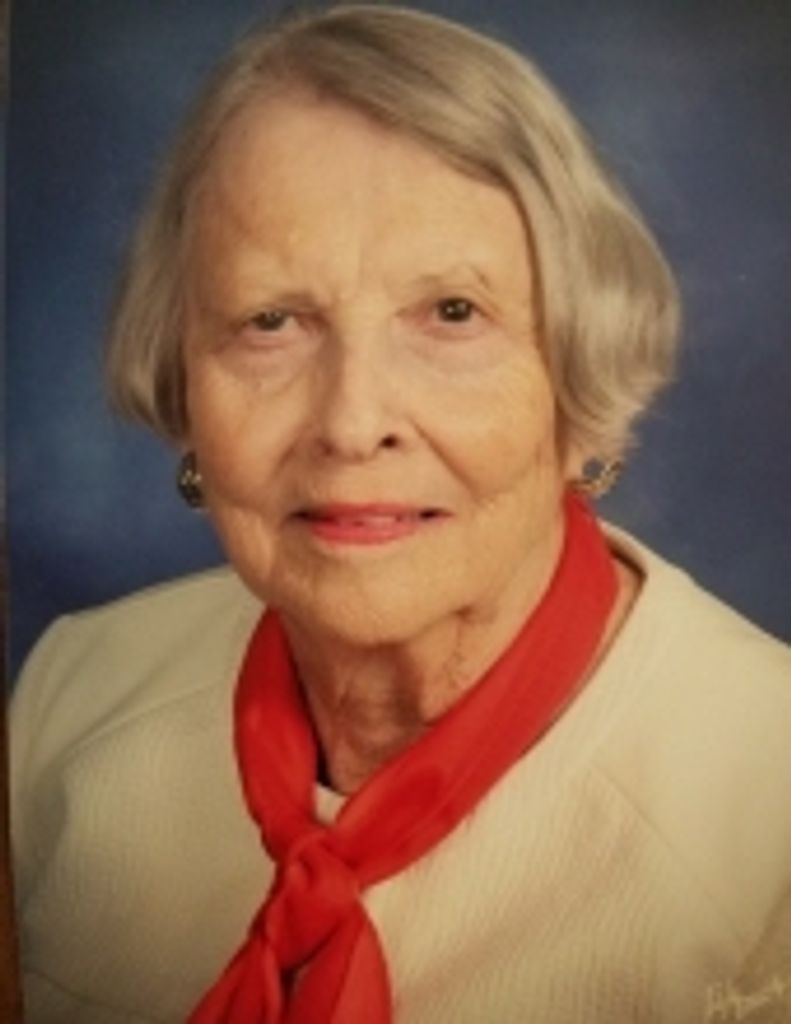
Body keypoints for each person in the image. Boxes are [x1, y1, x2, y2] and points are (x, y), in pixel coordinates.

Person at [10, 5, 791, 1022]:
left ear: (576, 377)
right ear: (182, 380)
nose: (351, 422)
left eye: (451, 314)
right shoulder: (67, 701)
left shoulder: (766, 805)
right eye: (271, 321)